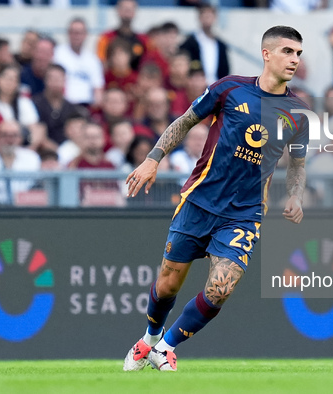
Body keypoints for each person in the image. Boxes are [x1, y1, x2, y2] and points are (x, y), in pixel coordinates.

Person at [123, 25, 308, 372]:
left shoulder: (298, 113)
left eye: (298, 53)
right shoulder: (230, 88)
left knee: (221, 288)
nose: (295, 59)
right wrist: (153, 158)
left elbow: (297, 163)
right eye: (287, 51)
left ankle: (166, 347)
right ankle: (148, 339)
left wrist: (295, 195)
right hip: (199, 201)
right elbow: (186, 120)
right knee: (167, 284)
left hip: (244, 213)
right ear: (266, 54)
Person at [0, 120, 40, 205]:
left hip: (25, 209)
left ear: (20, 138)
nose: (9, 140)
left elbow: (37, 189)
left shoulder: (32, 159)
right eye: (4, 135)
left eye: (14, 135)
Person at [54, 17, 104, 107]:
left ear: (85, 35)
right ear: (68, 34)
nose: (76, 36)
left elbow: (98, 88)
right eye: (73, 32)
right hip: (63, 105)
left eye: (79, 33)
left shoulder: (93, 60)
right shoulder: (57, 54)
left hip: (86, 106)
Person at [179, 4, 230, 84]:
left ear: (215, 18)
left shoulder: (221, 45)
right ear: (199, 18)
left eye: (210, 16)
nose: (207, 19)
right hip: (195, 86)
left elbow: (225, 69)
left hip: (216, 87)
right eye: (205, 16)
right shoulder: (189, 43)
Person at [97, 0, 148, 71]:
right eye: (125, 9)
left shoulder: (144, 39)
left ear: (135, 12)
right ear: (118, 11)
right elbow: (102, 63)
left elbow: (148, 64)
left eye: (130, 9)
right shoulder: (106, 38)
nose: (127, 13)